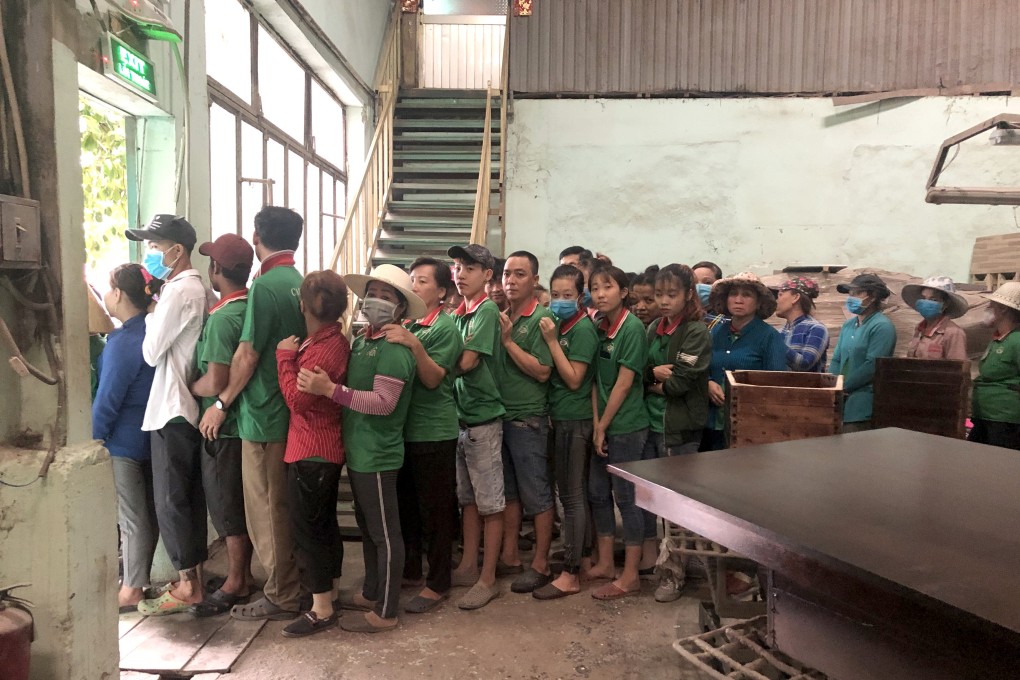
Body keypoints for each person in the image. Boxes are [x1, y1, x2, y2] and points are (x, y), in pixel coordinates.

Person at [298, 264, 422, 633]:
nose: (376, 301)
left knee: (385, 534)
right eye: (373, 293)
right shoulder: (365, 341)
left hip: (379, 454)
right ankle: (372, 592)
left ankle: (386, 611)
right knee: (369, 529)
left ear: (401, 307)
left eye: (387, 296)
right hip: (359, 451)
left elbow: (384, 403)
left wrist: (330, 390)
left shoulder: (394, 348)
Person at [201, 206, 307, 622]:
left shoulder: (264, 286)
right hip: (291, 411)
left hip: (263, 415)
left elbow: (247, 355)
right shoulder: (298, 282)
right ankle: (298, 584)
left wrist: (221, 403)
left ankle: (282, 593)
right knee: (283, 505)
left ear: (257, 236)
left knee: (267, 510)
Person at [127, 215, 210, 615]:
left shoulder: (179, 292)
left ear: (177, 250)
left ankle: (188, 585)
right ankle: (191, 579)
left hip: (172, 406)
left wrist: (149, 315)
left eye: (156, 247)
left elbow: (150, 352)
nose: (151, 254)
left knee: (170, 500)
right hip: (183, 406)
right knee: (186, 497)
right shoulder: (197, 288)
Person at [381, 257, 463, 614]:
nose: (414, 285)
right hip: (403, 430)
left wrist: (414, 344)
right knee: (407, 508)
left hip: (433, 431)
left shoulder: (445, 327)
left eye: (423, 281)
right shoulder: (409, 322)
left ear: (442, 291)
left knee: (436, 511)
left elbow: (432, 379)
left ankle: (439, 582)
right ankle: (412, 570)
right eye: (412, 279)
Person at [275, 271, 351, 637]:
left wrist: (284, 359)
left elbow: (297, 400)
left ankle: (321, 608)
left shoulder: (323, 349)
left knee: (310, 531)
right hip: (317, 448)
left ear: (303, 305)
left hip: (313, 450)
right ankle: (329, 592)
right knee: (323, 526)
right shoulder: (330, 341)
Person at [189, 234, 257, 617]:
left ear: (216, 269)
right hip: (245, 424)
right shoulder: (249, 309)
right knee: (240, 503)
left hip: (222, 427)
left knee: (226, 505)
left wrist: (187, 386)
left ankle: (236, 581)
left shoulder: (221, 319)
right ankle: (243, 574)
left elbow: (215, 381)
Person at [642, 264, 712, 603]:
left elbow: (680, 383)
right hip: (652, 425)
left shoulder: (695, 332)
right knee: (660, 504)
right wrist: (652, 376)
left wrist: (652, 382)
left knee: (679, 506)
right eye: (659, 294)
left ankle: (674, 574)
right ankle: (673, 563)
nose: (664, 301)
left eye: (672, 294)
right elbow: (639, 370)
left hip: (679, 428)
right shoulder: (654, 328)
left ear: (688, 295)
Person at [93, 263, 158, 612]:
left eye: (108, 288)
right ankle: (139, 580)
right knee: (146, 514)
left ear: (118, 294)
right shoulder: (152, 331)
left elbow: (107, 400)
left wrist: (93, 439)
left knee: (132, 519)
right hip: (151, 437)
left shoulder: (122, 344)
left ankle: (132, 588)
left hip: (122, 442)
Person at [533, 264, 599, 600]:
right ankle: (582, 559)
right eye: (555, 294)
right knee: (573, 495)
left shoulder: (583, 329)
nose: (559, 300)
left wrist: (551, 342)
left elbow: (574, 379)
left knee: (572, 498)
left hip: (575, 420)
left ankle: (571, 574)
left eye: (567, 295)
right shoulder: (561, 324)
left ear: (581, 296)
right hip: (560, 417)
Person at [447, 244, 506, 611]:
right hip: (461, 417)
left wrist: (435, 363)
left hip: (484, 419)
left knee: (490, 503)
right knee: (467, 500)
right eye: (457, 267)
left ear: (487, 275)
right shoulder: (459, 314)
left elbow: (467, 362)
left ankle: (488, 578)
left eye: (470, 268)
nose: (461, 274)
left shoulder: (485, 310)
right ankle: (468, 565)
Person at [586, 264, 650, 600]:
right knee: (598, 493)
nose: (600, 294)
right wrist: (597, 424)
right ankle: (606, 563)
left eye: (607, 287)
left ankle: (631, 576)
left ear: (624, 292)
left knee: (626, 499)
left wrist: (604, 426)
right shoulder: (599, 327)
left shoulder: (633, 328)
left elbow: (624, 384)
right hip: (604, 424)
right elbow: (597, 382)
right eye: (595, 288)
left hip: (627, 426)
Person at [497, 251, 556, 594]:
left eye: (520, 274)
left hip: (528, 419)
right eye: (507, 274)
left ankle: (541, 563)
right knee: (509, 494)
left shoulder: (541, 318)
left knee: (537, 495)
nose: (511, 281)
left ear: (534, 280)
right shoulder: (504, 316)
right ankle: (510, 555)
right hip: (500, 418)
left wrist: (507, 342)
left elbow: (542, 370)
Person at [703, 272, 786, 451]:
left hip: (749, 426)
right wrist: (708, 383)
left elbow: (776, 384)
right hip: (710, 422)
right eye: (733, 294)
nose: (738, 300)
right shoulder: (715, 332)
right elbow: (701, 366)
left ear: (758, 303)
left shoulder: (769, 337)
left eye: (746, 295)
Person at [830, 273, 897, 433]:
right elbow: (837, 359)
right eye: (850, 293)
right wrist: (832, 384)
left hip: (862, 403)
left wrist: (844, 387)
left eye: (857, 293)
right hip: (838, 401)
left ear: (872, 296)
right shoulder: (848, 325)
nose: (851, 298)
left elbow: (872, 366)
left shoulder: (882, 327)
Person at [970, 281, 1020, 450]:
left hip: (1005, 421)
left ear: (1004, 309)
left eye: (992, 305)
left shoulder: (1017, 341)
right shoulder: (999, 339)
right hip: (986, 416)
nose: (988, 308)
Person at [900, 276, 968, 360]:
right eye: (923, 298)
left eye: (933, 299)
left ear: (945, 304)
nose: (926, 302)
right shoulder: (919, 328)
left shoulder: (953, 333)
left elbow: (957, 365)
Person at [773, 276, 830, 372]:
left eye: (780, 295)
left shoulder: (816, 329)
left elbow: (804, 364)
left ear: (795, 297)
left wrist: (775, 344)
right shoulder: (780, 332)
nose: (776, 301)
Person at [692, 261, 725, 330]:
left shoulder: (727, 318)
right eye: (694, 283)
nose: (699, 287)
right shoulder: (684, 317)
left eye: (707, 282)